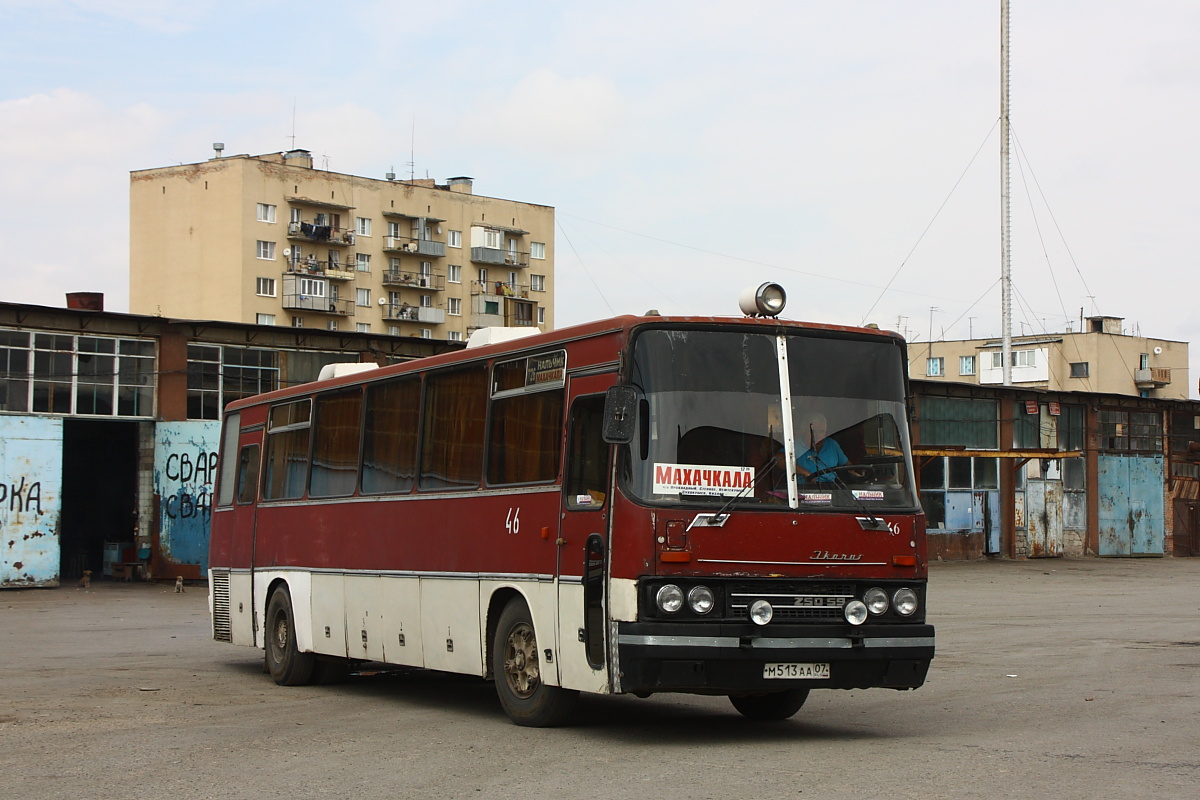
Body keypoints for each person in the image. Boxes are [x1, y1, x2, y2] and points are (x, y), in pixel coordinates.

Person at [796, 413, 847, 482]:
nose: (817, 436)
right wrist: (805, 473)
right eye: (813, 432)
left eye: (821, 432)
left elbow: (846, 465)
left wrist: (854, 474)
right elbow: (781, 460)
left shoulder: (832, 444)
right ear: (804, 432)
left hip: (831, 488)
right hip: (805, 489)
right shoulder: (796, 445)